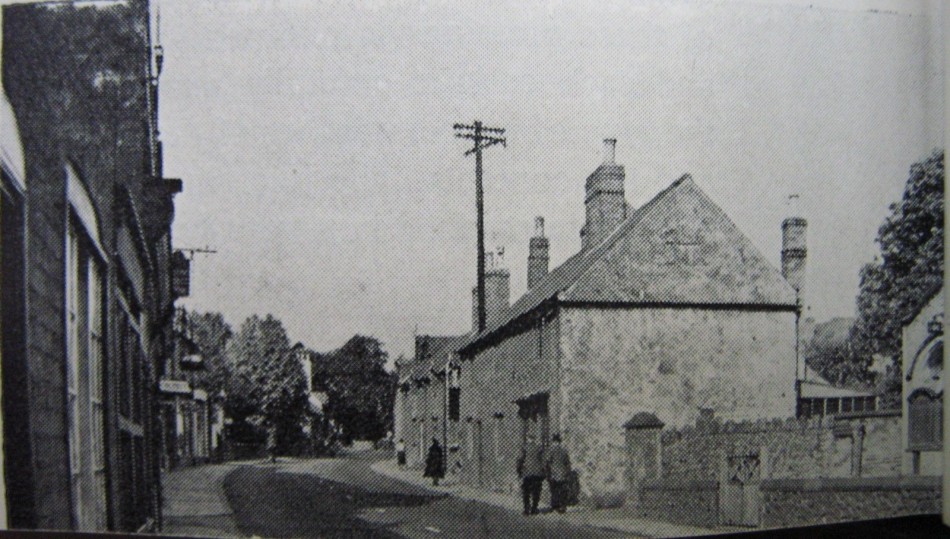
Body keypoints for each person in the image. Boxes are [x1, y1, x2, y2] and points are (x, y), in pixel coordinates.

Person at [516, 432, 545, 515]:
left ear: (528, 439)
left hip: (527, 472)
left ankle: (526, 509)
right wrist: (543, 471)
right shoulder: (539, 448)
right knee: (536, 491)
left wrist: (519, 471)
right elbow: (543, 460)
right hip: (537, 473)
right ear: (534, 439)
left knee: (526, 492)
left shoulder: (524, 447)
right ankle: (534, 508)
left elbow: (520, 459)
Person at [544, 433, 572, 513]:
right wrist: (568, 472)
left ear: (553, 440)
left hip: (554, 472)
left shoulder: (551, 449)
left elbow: (547, 462)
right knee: (562, 490)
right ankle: (563, 506)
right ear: (559, 440)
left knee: (554, 490)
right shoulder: (564, 449)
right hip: (562, 472)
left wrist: (547, 472)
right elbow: (567, 462)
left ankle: (555, 506)